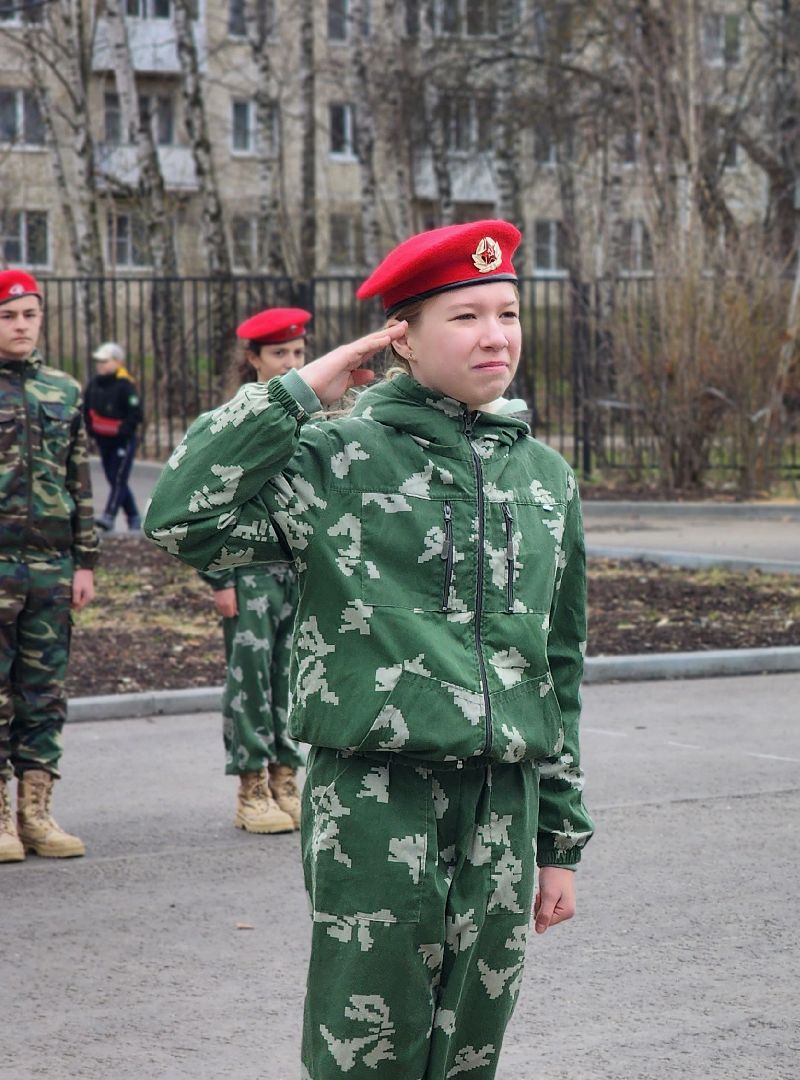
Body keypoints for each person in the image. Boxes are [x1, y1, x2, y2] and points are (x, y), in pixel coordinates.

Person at [145, 221, 592, 1078]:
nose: (495, 336)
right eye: (465, 316)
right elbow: (180, 517)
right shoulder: (336, 458)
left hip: (505, 802)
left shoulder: (544, 477)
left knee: (470, 1052)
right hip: (376, 797)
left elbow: (559, 664)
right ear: (402, 338)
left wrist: (560, 840)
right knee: (367, 1052)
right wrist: (296, 393)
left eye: (506, 313)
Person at [191, 307, 319, 836]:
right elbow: (204, 503)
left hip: (299, 572)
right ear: (253, 359)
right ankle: (251, 787)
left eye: (298, 352)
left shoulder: (311, 420)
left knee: (293, 676)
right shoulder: (236, 419)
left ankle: (286, 777)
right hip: (248, 574)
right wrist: (220, 580)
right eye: (279, 353)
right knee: (250, 679)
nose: (291, 362)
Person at [0, 269, 98, 863]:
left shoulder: (63, 390)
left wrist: (85, 563)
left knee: (43, 695)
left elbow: (78, 480)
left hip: (50, 568)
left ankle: (34, 814)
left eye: (29, 315)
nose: (21, 325)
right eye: (8, 316)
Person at [84, 342, 143, 533]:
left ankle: (109, 515)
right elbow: (86, 408)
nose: (100, 365)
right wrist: (91, 430)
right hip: (103, 440)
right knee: (113, 478)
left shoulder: (125, 385)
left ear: (118, 362)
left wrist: (123, 430)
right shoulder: (95, 383)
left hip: (122, 441)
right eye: (98, 361)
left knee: (118, 478)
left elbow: (136, 413)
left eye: (105, 361)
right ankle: (134, 516)